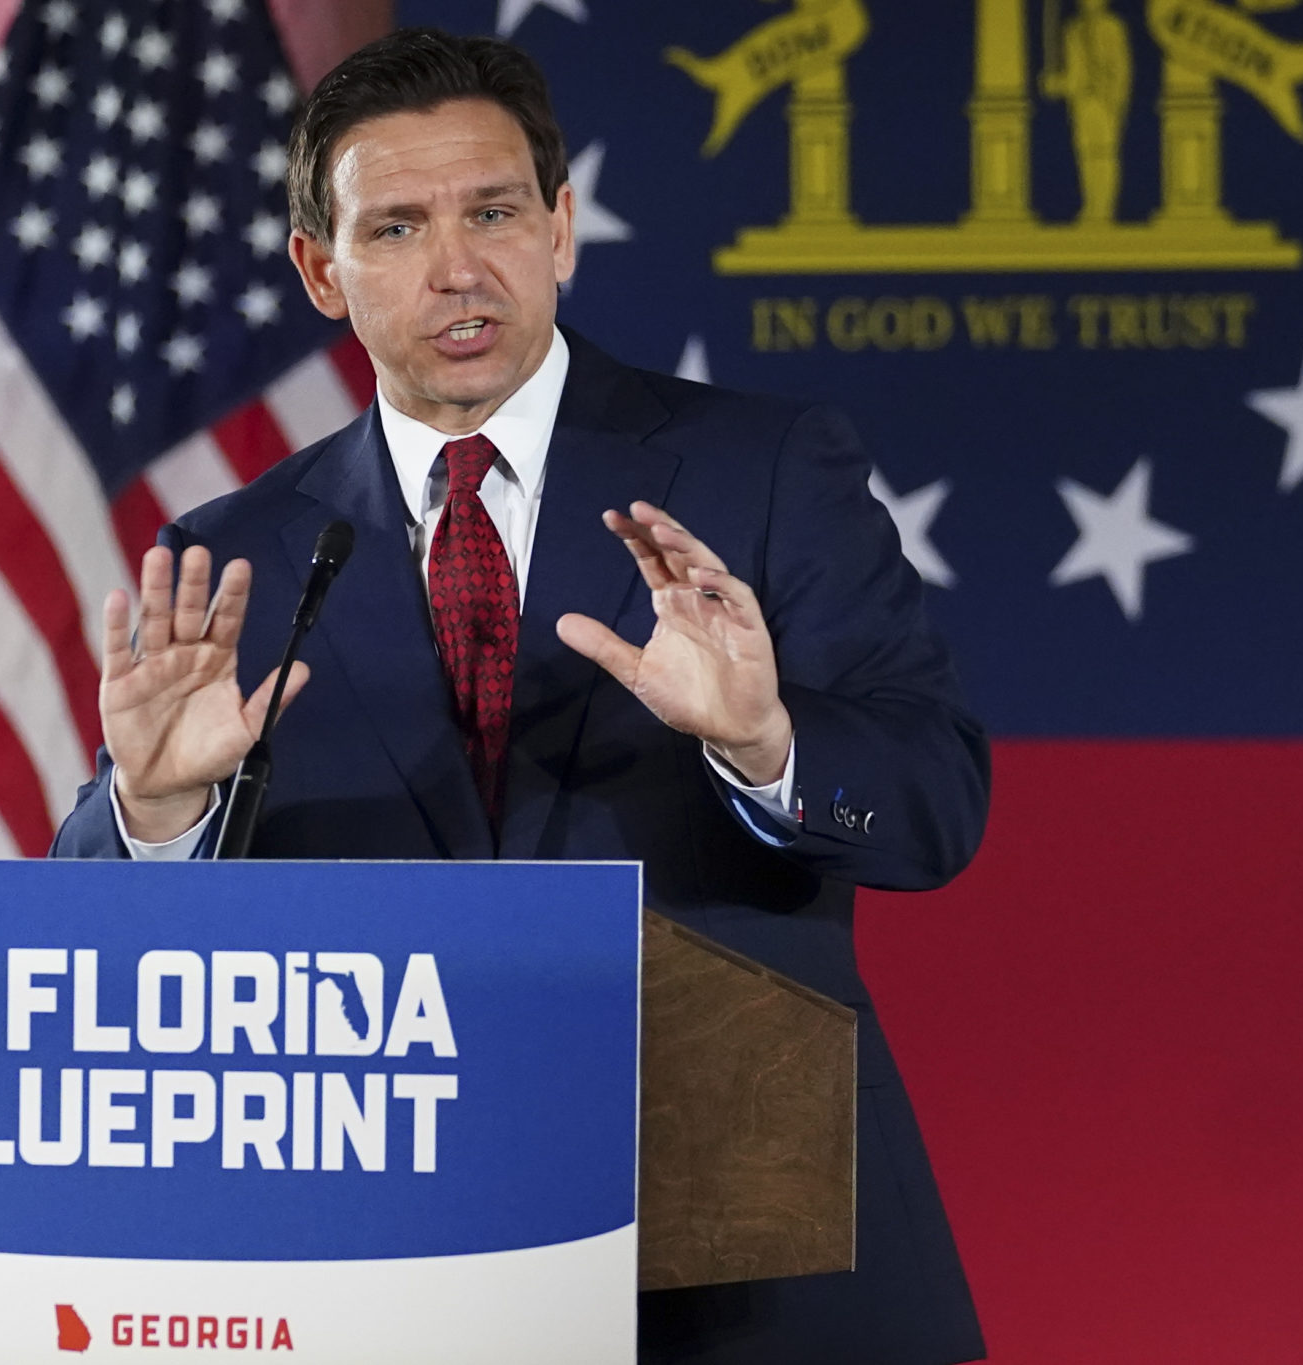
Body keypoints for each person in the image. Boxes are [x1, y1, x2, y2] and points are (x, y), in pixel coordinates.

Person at [51, 27, 990, 1365]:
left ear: (560, 228)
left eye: (492, 213)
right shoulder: (239, 556)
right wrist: (156, 815)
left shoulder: (764, 471)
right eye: (396, 229)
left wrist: (766, 742)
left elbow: (935, 805)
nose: (457, 268)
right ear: (320, 269)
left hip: (752, 1256)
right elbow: (100, 956)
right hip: (396, 1272)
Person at [1043, 0, 1133, 223]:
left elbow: (1121, 67)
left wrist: (1114, 98)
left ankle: (1104, 207)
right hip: (1082, 101)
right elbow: (1074, 72)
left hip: (1105, 99)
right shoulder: (1072, 30)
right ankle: (1092, 204)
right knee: (1086, 154)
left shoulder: (1113, 27)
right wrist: (1058, 84)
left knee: (1104, 152)